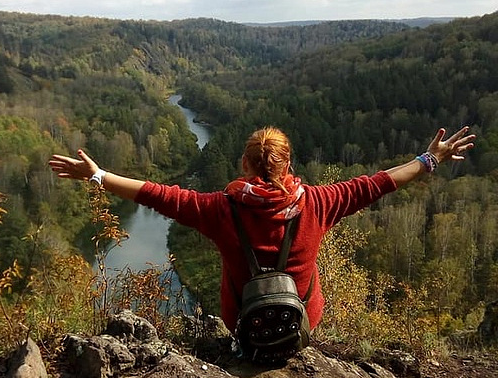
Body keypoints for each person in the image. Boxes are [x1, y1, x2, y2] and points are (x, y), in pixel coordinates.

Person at [49, 125, 475, 340]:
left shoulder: (220, 209)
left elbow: (160, 195)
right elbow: (378, 183)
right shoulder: (319, 202)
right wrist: (429, 160)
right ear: (288, 166)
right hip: (304, 320)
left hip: (243, 323)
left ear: (245, 166)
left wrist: (99, 175)